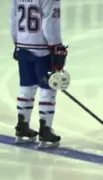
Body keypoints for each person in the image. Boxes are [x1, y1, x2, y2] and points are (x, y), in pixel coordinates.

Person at [10, 0, 68, 148]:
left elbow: (13, 18)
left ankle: (22, 126)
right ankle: (45, 130)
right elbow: (50, 22)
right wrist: (56, 47)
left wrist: (17, 42)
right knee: (48, 88)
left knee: (26, 87)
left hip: (23, 45)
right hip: (42, 48)